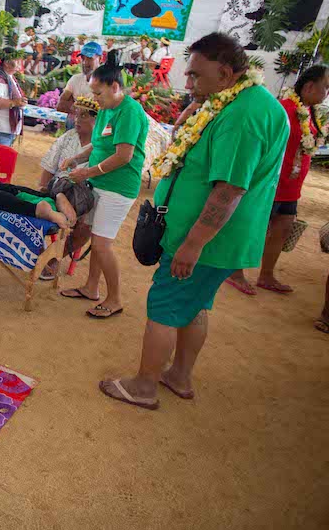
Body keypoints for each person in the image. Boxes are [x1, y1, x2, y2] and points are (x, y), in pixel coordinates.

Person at [98, 32, 289, 409]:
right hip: (215, 239)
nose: (187, 83)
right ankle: (179, 375)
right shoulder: (234, 102)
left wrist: (193, 244)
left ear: (225, 72)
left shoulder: (244, 115)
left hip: (206, 239)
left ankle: (144, 386)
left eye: (195, 75)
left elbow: (228, 190)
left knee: (166, 304)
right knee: (196, 304)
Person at [226, 65, 329, 295]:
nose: (327, 93)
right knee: (255, 228)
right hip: (272, 185)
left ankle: (266, 275)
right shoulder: (283, 109)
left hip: (292, 188)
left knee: (282, 231)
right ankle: (234, 272)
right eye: (326, 87)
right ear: (310, 86)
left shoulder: (309, 113)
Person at [60, 51, 148, 319]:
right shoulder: (108, 110)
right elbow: (99, 145)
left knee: (101, 245)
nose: (95, 99)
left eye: (98, 93)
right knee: (96, 237)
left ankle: (115, 299)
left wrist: (86, 172)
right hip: (100, 182)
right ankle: (90, 287)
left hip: (118, 188)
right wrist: (76, 158)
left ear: (115, 87)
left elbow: (124, 156)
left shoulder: (129, 112)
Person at [39, 96, 98, 189]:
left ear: (96, 120)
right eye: (76, 115)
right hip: (57, 188)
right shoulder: (68, 136)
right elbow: (49, 167)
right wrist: (42, 188)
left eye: (83, 116)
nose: (77, 120)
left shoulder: (100, 144)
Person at [56, 41, 101, 129]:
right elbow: (60, 105)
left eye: (89, 59)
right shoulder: (75, 79)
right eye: (83, 59)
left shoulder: (106, 82)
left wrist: (75, 106)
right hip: (75, 124)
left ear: (100, 58)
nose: (85, 63)